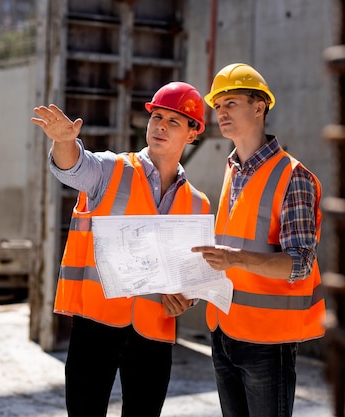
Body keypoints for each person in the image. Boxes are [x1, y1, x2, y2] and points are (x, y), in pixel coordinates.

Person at [31, 81, 211, 417]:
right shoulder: (111, 169)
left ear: (192, 134)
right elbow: (74, 166)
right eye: (156, 116)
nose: (160, 125)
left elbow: (193, 276)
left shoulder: (198, 204)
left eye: (174, 121)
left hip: (155, 330)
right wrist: (64, 142)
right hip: (97, 322)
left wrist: (188, 298)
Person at [191, 63, 326, 417]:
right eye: (217, 106)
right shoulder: (232, 170)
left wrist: (235, 258)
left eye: (231, 102)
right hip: (223, 331)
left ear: (259, 106)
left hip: (268, 342)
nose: (221, 112)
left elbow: (300, 263)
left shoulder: (293, 176)